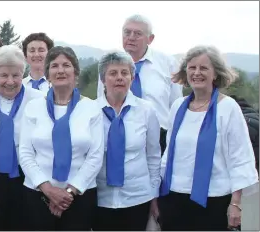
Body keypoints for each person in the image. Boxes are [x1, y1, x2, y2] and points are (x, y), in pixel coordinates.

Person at [158, 45, 259, 231]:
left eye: (204, 68)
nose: (197, 73)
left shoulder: (228, 108)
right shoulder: (177, 107)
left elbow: (240, 157)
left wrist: (235, 204)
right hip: (174, 197)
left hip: (214, 200)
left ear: (215, 74)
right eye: (192, 67)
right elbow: (169, 154)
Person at [18, 46, 104, 230]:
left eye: (66, 65)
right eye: (55, 65)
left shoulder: (91, 108)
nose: (61, 70)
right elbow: (25, 153)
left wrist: (69, 192)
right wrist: (49, 190)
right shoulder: (33, 107)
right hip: (37, 194)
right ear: (48, 74)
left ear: (76, 73)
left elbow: (95, 157)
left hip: (79, 196)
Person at [0, 45, 45, 231]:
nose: (10, 81)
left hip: (27, 179)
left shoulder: (39, 100)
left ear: (23, 73)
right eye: (4, 75)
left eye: (16, 75)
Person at [92, 51, 161, 231]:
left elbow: (153, 156)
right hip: (100, 199)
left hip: (138, 198)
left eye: (125, 73)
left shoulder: (147, 111)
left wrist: (154, 195)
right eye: (113, 73)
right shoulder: (89, 111)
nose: (119, 78)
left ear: (132, 77)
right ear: (103, 79)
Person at [97, 14, 183, 154]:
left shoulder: (168, 64)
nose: (131, 37)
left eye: (137, 33)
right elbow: (102, 101)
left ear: (150, 39)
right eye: (127, 32)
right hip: (118, 134)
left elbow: (176, 105)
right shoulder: (108, 63)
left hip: (160, 137)